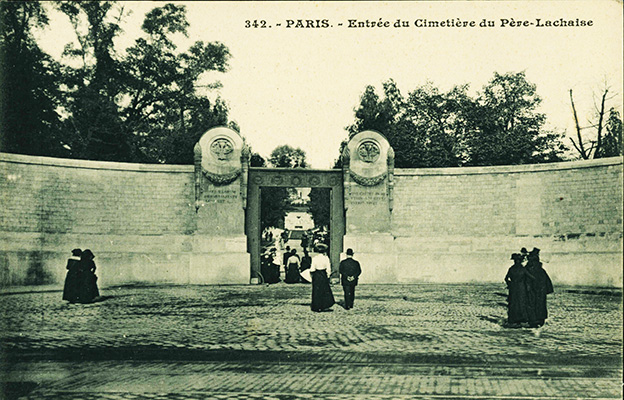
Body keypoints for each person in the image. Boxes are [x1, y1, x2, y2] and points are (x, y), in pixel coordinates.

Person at [525, 248, 554, 328]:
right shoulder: (541, 271)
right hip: (540, 290)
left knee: (532, 303)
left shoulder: (529, 270)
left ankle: (534, 320)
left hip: (533, 290)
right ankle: (540, 319)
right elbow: (547, 283)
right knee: (540, 304)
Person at [504, 253, 533, 327]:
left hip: (513, 288)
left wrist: (510, 284)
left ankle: (513, 319)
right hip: (521, 288)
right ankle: (522, 319)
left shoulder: (511, 269)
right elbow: (531, 277)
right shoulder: (523, 269)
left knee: (513, 303)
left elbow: (506, 278)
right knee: (522, 303)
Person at [309, 244, 335, 312]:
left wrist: (311, 275)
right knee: (324, 290)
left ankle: (317, 306)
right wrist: (328, 275)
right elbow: (328, 268)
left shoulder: (314, 258)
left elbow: (312, 269)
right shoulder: (326, 258)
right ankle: (324, 305)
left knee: (316, 290)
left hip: (317, 274)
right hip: (323, 274)